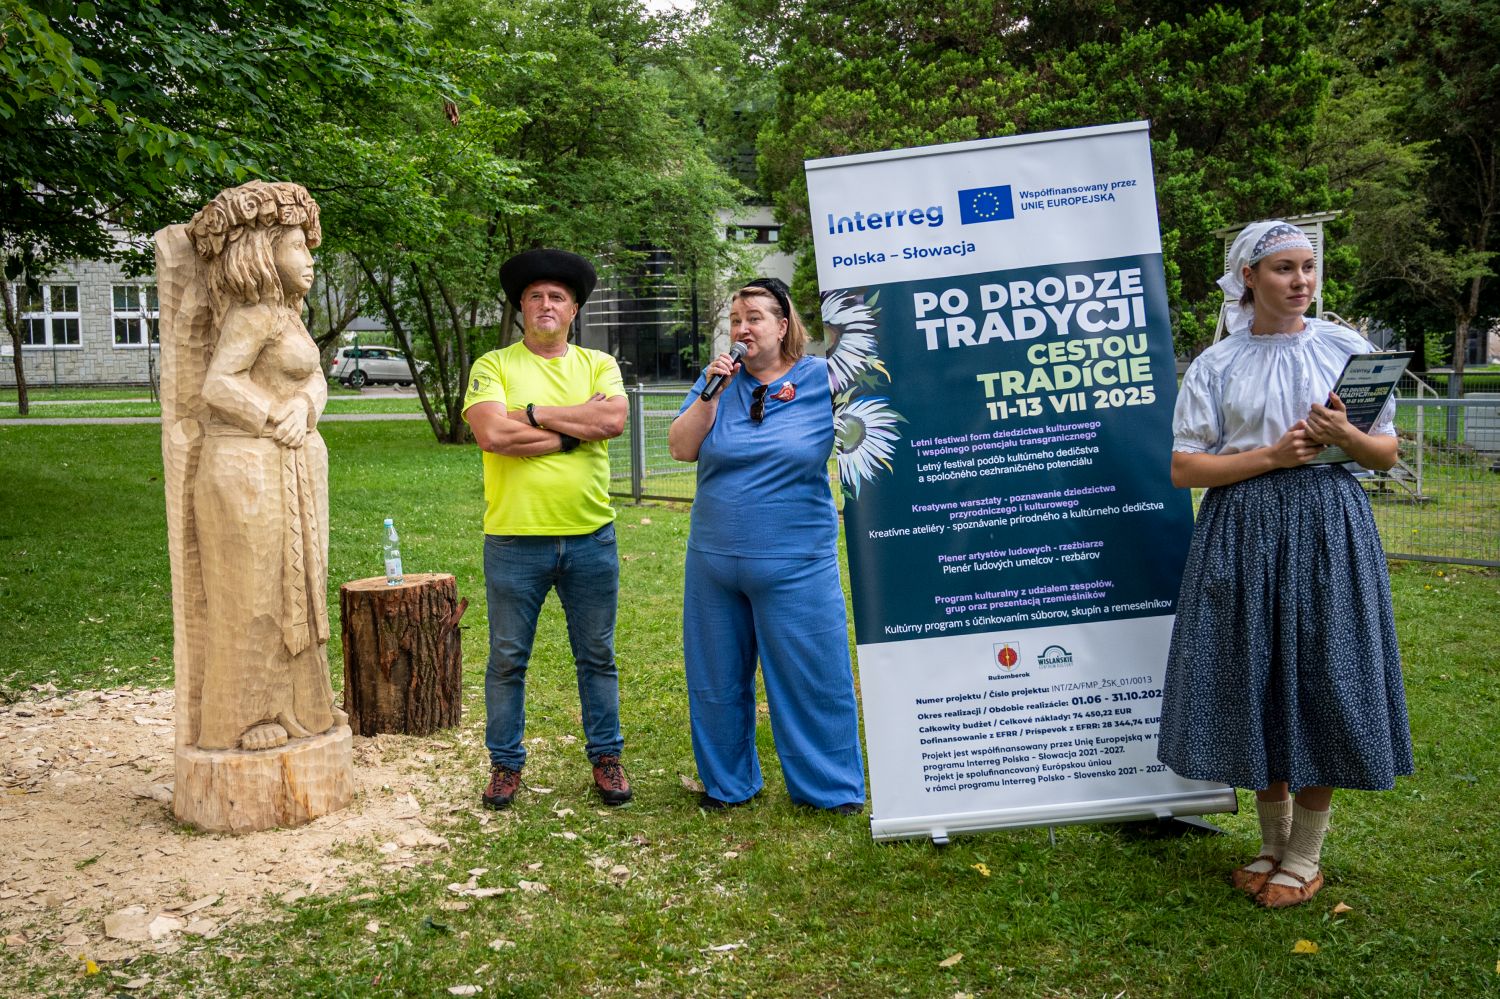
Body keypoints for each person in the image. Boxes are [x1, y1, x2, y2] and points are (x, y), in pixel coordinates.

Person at [1157, 220, 1413, 908]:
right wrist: (1271, 456)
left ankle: (1304, 853)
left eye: (1308, 267)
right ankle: (1271, 843)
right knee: (1254, 669)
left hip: (1329, 524)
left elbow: (1384, 454)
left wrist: (1346, 434)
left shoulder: (1344, 348)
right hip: (1242, 526)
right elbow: (1185, 468)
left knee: (1325, 670)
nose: (1301, 281)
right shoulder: (1218, 363)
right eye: (1284, 268)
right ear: (1249, 276)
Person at [668, 277, 866, 814]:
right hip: (714, 562)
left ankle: (829, 790)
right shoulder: (715, 380)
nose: (742, 328)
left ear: (782, 326)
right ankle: (728, 784)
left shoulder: (823, 379)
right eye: (736, 319)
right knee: (715, 681)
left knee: (813, 677)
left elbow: (866, 436)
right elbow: (681, 448)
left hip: (796, 562)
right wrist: (711, 394)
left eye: (754, 317)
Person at [463, 249, 630, 809]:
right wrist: (573, 429)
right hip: (514, 540)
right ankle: (505, 765)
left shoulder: (599, 364)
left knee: (597, 656)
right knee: (507, 660)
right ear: (521, 308)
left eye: (557, 296)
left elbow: (612, 419)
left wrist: (529, 413)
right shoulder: (492, 365)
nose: (546, 304)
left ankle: (607, 758)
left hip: (591, 537)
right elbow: (491, 435)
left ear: (574, 309)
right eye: (535, 296)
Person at [181, 181, 342, 752]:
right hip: (249, 469)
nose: (310, 260)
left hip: (292, 464)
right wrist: (275, 414)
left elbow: (315, 378)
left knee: (301, 591)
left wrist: (305, 406)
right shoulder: (252, 315)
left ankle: (300, 704)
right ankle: (242, 717)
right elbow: (217, 385)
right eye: (297, 247)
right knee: (254, 599)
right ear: (262, 252)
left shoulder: (289, 317)